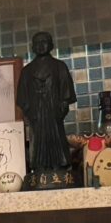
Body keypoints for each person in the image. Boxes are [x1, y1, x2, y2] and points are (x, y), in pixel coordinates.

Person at [16, 31, 76, 173]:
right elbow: (22, 97)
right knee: (37, 139)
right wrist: (29, 111)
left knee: (57, 137)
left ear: (51, 45)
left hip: (54, 111)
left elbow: (66, 92)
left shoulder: (60, 66)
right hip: (36, 113)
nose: (40, 45)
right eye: (37, 43)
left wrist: (62, 106)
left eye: (44, 42)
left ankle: (60, 165)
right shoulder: (26, 71)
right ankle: (39, 167)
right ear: (32, 47)